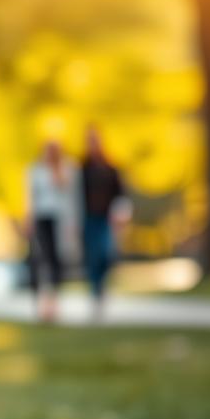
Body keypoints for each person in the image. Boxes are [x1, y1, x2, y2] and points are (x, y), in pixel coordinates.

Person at [81, 125, 129, 318]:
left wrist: (121, 214)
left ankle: (101, 288)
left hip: (106, 219)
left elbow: (121, 195)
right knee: (92, 257)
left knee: (106, 254)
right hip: (88, 218)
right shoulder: (82, 168)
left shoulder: (110, 168)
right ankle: (96, 293)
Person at [25, 140, 76, 322]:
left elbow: (69, 195)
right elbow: (30, 196)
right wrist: (28, 219)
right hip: (41, 218)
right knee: (41, 259)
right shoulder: (36, 170)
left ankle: (53, 303)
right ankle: (42, 303)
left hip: (58, 219)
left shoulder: (66, 169)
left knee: (56, 260)